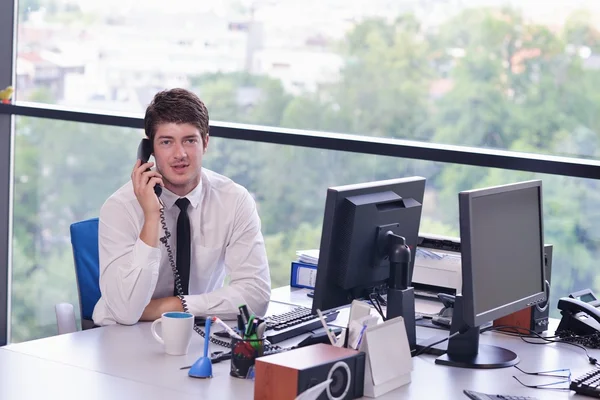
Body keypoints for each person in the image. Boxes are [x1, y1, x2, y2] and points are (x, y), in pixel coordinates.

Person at [92, 88, 271, 326]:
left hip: (194, 331)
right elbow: (126, 312)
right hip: (122, 336)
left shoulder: (234, 200)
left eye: (190, 140)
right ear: (150, 150)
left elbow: (256, 297)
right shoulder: (120, 208)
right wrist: (152, 216)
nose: (180, 154)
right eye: (167, 142)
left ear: (205, 143)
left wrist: (176, 307)